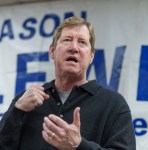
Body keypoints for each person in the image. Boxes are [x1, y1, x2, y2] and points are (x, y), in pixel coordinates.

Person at [0, 16, 136, 150]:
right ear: (52, 51)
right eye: (67, 40)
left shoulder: (113, 104)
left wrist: (79, 145)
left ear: (91, 56)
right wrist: (17, 111)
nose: (74, 48)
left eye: (82, 42)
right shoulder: (25, 101)